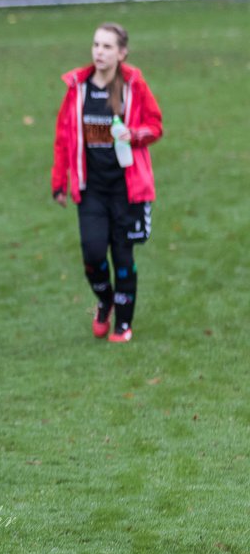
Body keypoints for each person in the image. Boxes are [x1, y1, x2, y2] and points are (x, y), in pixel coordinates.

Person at [51, 22, 163, 342]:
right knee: (94, 253)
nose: (99, 52)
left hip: (127, 189)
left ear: (122, 53)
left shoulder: (133, 86)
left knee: (123, 256)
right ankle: (105, 301)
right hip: (92, 190)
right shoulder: (78, 87)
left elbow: (155, 125)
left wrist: (135, 134)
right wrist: (60, 181)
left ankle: (123, 324)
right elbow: (63, 138)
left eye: (107, 47)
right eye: (96, 45)